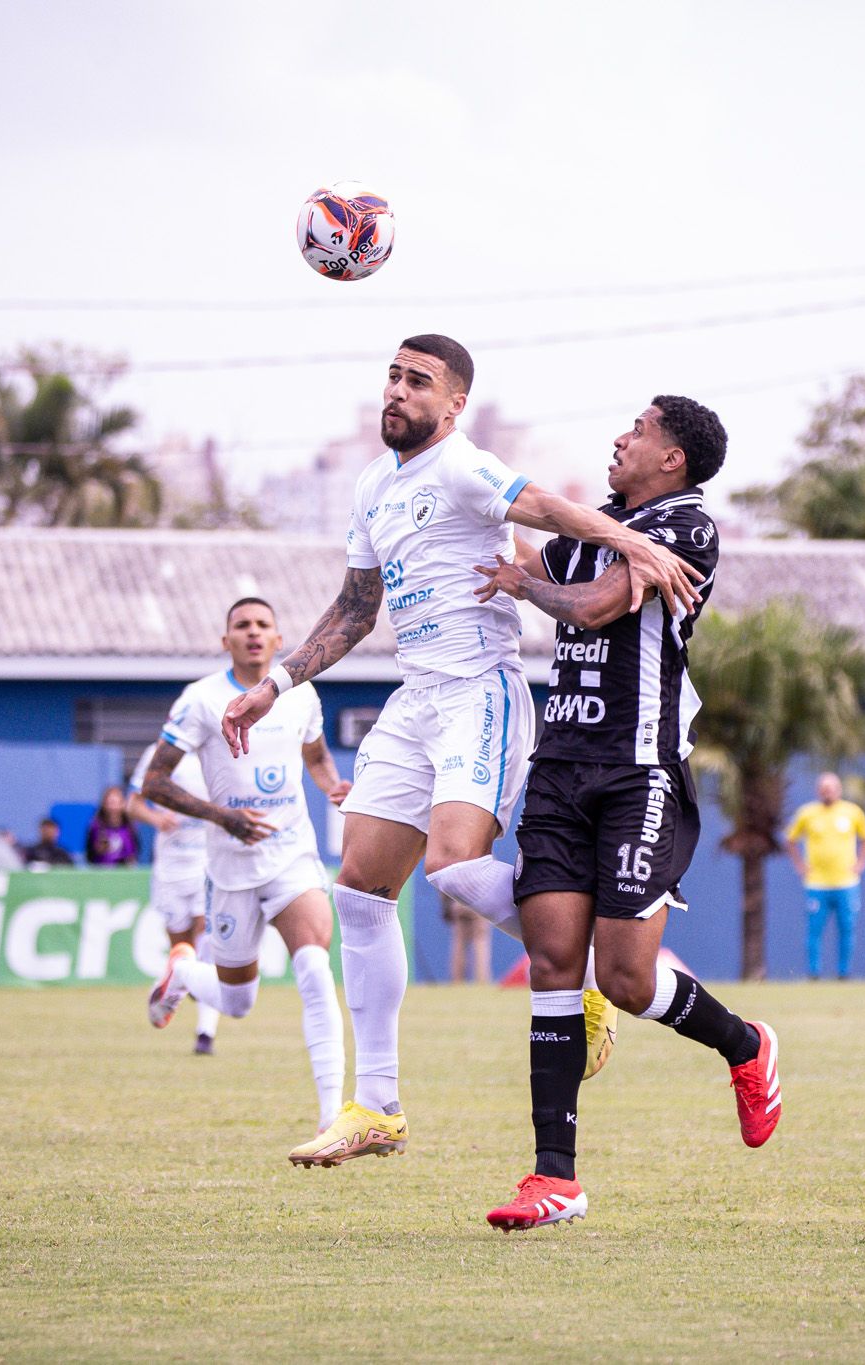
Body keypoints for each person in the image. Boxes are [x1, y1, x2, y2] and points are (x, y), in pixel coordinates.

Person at [223, 333, 705, 1168]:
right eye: (393, 377)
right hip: (415, 697)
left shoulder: (462, 465)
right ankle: (375, 1107)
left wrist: (632, 544)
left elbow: (549, 507)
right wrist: (279, 683)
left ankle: (580, 972)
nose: (398, 392)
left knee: (452, 864)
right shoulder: (375, 486)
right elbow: (353, 609)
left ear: (453, 405)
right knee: (362, 890)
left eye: (419, 382)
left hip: (480, 690)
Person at [471, 395, 778, 1230]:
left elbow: (597, 606)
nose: (619, 437)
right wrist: (469, 505)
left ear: (672, 458)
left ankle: (746, 1045)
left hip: (638, 773)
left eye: (638, 430)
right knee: (553, 962)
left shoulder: (686, 527)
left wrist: (522, 583)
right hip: (560, 770)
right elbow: (538, 547)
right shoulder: (601, 524)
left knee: (628, 979)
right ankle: (553, 1177)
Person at [141, 597, 353, 1134]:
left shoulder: (301, 692)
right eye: (242, 626)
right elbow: (154, 784)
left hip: (293, 856)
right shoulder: (201, 700)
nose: (253, 633)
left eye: (263, 625)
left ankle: (333, 1117)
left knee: (313, 969)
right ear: (226, 640)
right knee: (237, 1003)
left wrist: (333, 787)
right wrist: (223, 817)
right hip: (230, 865)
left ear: (280, 640)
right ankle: (186, 971)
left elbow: (317, 755)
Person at [127, 737, 220, 1054]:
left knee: (206, 944)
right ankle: (183, 980)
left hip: (207, 865)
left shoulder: (219, 751)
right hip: (170, 868)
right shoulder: (159, 753)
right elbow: (134, 803)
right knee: (182, 951)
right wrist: (156, 819)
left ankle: (205, 1034)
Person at [786, 773, 865, 981]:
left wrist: (861, 862)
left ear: (839, 789)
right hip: (817, 884)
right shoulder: (807, 813)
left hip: (846, 883)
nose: (828, 791)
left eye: (831, 787)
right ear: (818, 791)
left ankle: (844, 974)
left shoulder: (852, 812)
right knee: (814, 931)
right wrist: (800, 865)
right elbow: (790, 839)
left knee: (847, 929)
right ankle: (814, 973)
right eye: (824, 788)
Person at [441, 893, 492, 985]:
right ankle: (481, 981)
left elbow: (441, 882)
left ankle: (456, 982)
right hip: (478, 899)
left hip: (457, 900)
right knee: (480, 940)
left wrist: (446, 904)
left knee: (459, 941)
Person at [86, 787, 140, 867]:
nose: (114, 807)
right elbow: (89, 855)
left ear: (123, 804)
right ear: (104, 804)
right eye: (111, 802)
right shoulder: (95, 827)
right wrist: (98, 849)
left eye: (117, 802)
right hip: (101, 871)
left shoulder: (130, 827)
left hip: (125, 872)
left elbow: (135, 853)